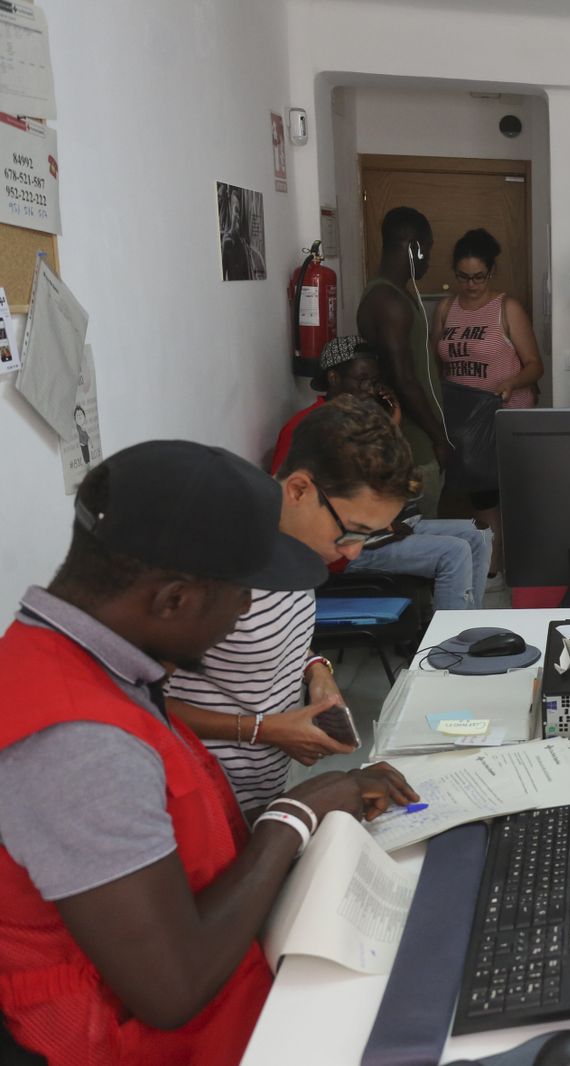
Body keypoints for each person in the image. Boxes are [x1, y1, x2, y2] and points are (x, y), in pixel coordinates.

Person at [0, 440, 416, 1064]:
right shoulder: (77, 744)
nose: (247, 609)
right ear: (173, 599)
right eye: (242, 593)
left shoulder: (89, 662)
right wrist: (297, 814)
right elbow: (174, 989)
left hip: (230, 991)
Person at [167, 397, 417, 812]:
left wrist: (317, 671)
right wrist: (263, 730)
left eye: (368, 537)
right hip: (202, 804)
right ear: (299, 489)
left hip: (261, 791)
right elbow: (141, 707)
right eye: (351, 533)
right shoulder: (209, 567)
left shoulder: (297, 552)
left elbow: (277, 638)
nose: (353, 554)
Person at [273, 336, 491, 610]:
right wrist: (372, 530)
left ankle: (471, 627)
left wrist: (390, 428)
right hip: (345, 548)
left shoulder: (361, 421)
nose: (368, 390)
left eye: (374, 383)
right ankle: (451, 646)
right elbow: (289, 508)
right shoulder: (306, 428)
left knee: (479, 535)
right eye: (361, 380)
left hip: (381, 530)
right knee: (454, 552)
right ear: (333, 377)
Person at [432, 228, 544, 577]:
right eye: (463, 277)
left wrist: (510, 382)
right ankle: (491, 568)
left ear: (491, 272)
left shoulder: (506, 308)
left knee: (502, 492)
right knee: (478, 494)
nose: (470, 284)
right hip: (464, 419)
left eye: (478, 276)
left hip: (504, 414)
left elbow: (535, 365)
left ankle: (508, 571)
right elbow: (438, 361)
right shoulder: (445, 309)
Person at [358, 205, 452, 515]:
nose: (428, 258)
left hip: (416, 436)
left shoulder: (397, 294)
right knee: (423, 536)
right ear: (413, 247)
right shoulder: (388, 301)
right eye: (426, 249)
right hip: (413, 443)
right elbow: (403, 379)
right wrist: (439, 437)